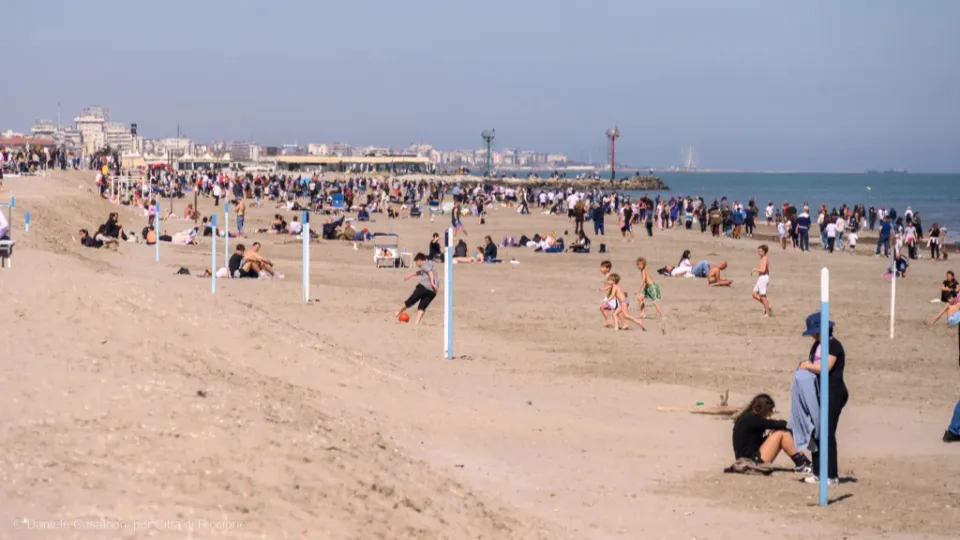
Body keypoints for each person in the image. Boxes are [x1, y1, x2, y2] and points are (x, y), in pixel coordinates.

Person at [797, 312, 848, 485]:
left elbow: (826, 367)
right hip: (818, 392)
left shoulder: (834, 345)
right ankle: (818, 472)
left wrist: (807, 365)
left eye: (814, 332)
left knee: (827, 432)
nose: (812, 335)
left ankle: (831, 475)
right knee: (816, 431)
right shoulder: (816, 346)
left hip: (834, 393)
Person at [732, 394, 813, 471]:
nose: (769, 414)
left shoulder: (747, 418)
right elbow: (779, 424)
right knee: (782, 433)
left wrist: (768, 437)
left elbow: (752, 444)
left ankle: (804, 462)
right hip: (750, 461)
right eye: (769, 410)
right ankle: (802, 464)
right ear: (762, 409)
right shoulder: (752, 419)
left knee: (775, 432)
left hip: (747, 458)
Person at [396, 253, 437, 325]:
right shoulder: (430, 263)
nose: (417, 265)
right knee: (422, 306)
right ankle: (417, 322)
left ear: (419, 260)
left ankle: (398, 312)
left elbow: (430, 272)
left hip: (424, 286)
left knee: (411, 300)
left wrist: (432, 282)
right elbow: (421, 272)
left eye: (416, 262)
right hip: (433, 291)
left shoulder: (424, 265)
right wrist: (410, 275)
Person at [635, 257, 666, 324]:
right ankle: (643, 314)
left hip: (652, 287)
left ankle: (662, 315)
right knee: (640, 298)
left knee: (655, 302)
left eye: (640, 265)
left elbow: (643, 280)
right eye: (638, 265)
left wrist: (638, 289)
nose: (639, 266)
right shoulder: (642, 271)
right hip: (647, 287)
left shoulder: (644, 271)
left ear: (644, 265)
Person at [751, 245, 772, 317]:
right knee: (754, 294)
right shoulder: (762, 258)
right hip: (761, 278)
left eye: (761, 251)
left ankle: (767, 313)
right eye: (759, 251)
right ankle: (768, 305)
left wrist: (755, 269)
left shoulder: (765, 258)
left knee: (763, 296)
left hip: (764, 278)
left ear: (765, 252)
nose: (759, 252)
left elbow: (763, 270)